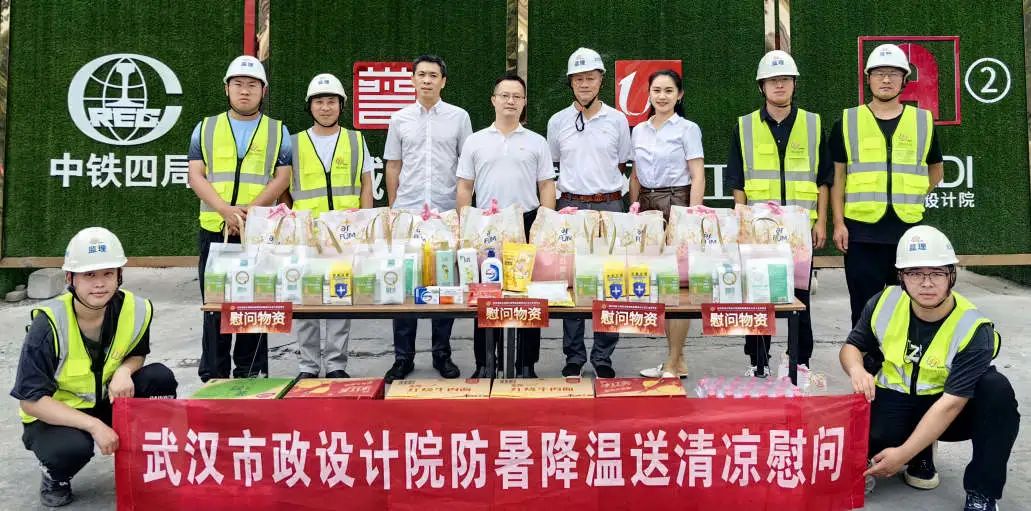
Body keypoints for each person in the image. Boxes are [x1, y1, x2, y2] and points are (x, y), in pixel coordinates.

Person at [839, 225, 1018, 511]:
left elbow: (951, 404)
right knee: (865, 444)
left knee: (996, 390)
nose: (926, 283)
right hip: (895, 399)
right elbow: (851, 347)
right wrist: (857, 370)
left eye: (936, 273)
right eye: (915, 273)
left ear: (952, 276)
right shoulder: (884, 302)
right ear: (901, 276)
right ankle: (919, 451)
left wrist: (900, 455)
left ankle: (982, 492)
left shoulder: (974, 327)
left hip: (947, 406)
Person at [10, 227, 178, 508]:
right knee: (69, 449)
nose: (100, 284)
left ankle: (149, 457)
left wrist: (124, 371)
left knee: (160, 378)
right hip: (59, 415)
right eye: (89, 275)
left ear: (119, 275)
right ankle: (55, 476)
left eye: (108, 274)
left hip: (107, 399)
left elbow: (137, 354)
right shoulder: (48, 324)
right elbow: (31, 401)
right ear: (70, 278)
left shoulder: (135, 309)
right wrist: (94, 426)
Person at [725, 50, 832, 378]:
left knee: (801, 297)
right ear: (762, 86)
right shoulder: (744, 126)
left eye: (785, 79)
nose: (779, 85)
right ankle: (758, 360)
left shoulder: (813, 124)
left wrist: (821, 221)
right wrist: (742, 223)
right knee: (758, 296)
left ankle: (800, 359)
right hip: (759, 230)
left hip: (800, 230)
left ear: (794, 84)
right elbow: (737, 182)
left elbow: (824, 179)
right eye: (772, 80)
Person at [187, 55, 293, 381]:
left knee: (255, 302)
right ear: (227, 88)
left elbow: (282, 177)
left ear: (263, 90)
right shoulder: (206, 128)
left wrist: (248, 212)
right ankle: (214, 374)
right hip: (215, 229)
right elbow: (195, 175)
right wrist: (225, 210)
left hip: (257, 232)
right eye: (238, 84)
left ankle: (250, 373)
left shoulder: (278, 131)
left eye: (252, 85)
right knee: (215, 305)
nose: (244, 91)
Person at [831, 43, 944, 327]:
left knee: (907, 312)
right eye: (879, 73)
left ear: (904, 80)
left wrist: (915, 195)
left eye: (893, 73)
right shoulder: (848, 121)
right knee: (863, 313)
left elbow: (936, 170)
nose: (886, 79)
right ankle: (864, 356)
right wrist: (839, 223)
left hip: (907, 233)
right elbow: (838, 178)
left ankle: (901, 357)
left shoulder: (922, 121)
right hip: (861, 234)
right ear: (868, 78)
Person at [457, 74, 556, 378]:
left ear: (524, 102)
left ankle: (526, 365)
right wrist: (465, 225)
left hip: (525, 223)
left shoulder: (537, 142)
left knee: (527, 297)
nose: (510, 101)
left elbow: (547, 186)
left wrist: (544, 225)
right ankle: (485, 364)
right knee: (486, 295)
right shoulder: (475, 141)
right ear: (494, 100)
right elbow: (464, 186)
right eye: (505, 95)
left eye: (517, 96)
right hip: (486, 226)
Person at [383, 54, 472, 382]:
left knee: (443, 284)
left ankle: (442, 354)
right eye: (421, 74)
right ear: (412, 80)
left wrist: (462, 213)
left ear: (443, 81)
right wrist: (394, 208)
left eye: (433, 75)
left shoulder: (459, 117)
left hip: (445, 213)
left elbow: (466, 167)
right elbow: (393, 165)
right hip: (408, 213)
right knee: (407, 285)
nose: (426, 80)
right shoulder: (399, 118)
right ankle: (402, 357)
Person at [547, 47, 632, 379]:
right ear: (571, 83)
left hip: (610, 206)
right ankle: (574, 355)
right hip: (571, 207)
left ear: (601, 80)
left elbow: (622, 162)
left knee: (610, 283)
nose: (584, 84)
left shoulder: (617, 120)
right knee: (573, 283)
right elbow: (554, 163)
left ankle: (603, 356)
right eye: (578, 79)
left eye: (590, 78)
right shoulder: (558, 121)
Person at [288, 73, 374, 379]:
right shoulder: (293, 142)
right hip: (307, 236)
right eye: (319, 102)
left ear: (341, 106)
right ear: (310, 106)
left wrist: (365, 226)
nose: (325, 108)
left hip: (345, 235)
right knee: (307, 301)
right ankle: (308, 366)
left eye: (332, 102)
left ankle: (337, 365)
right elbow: (285, 187)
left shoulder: (355, 140)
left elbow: (366, 184)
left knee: (340, 299)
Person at [628, 69, 704, 379]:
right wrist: (634, 208)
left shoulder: (687, 129)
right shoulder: (639, 130)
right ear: (648, 94)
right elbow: (635, 175)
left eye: (669, 91)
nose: (662, 96)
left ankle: (673, 362)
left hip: (677, 203)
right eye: (657, 90)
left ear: (679, 95)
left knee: (677, 285)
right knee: (658, 284)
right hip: (646, 207)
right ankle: (677, 359)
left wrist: (691, 216)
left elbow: (697, 175)